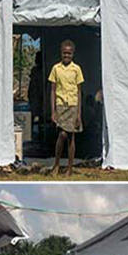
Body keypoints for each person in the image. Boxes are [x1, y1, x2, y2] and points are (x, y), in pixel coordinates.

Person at [49, 39, 84, 175]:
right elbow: (53, 90)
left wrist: (79, 114)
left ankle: (69, 168)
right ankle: (56, 164)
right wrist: (53, 111)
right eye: (64, 53)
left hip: (73, 106)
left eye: (69, 53)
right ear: (61, 53)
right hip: (61, 105)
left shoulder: (77, 69)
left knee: (71, 137)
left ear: (73, 54)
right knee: (62, 134)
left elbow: (79, 91)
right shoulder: (56, 69)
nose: (66, 56)